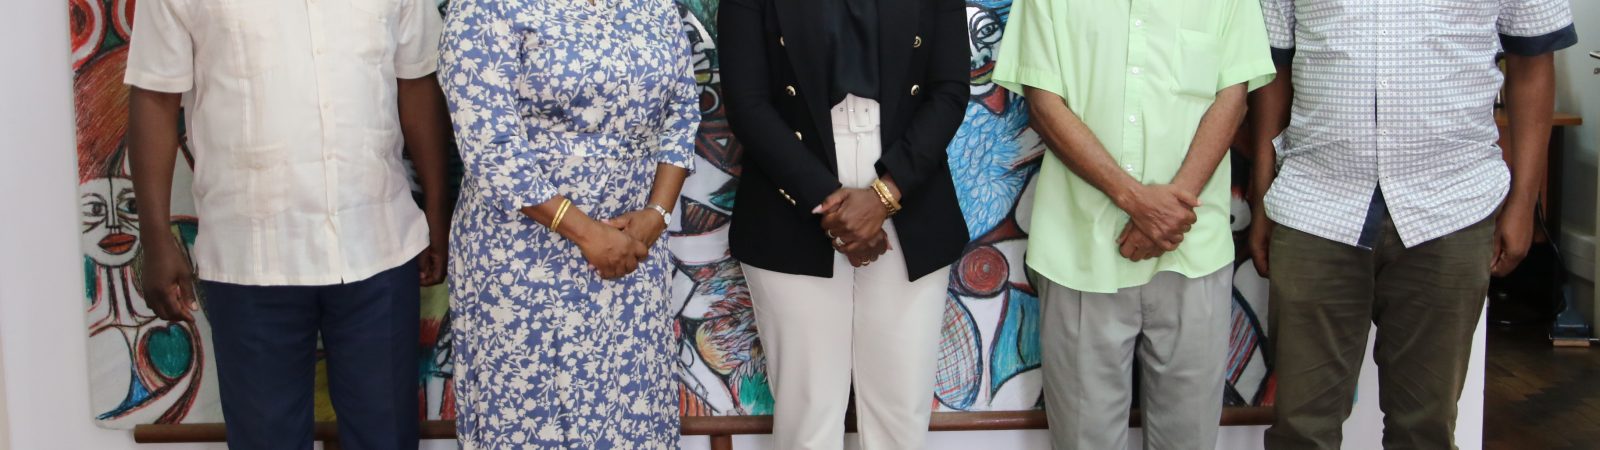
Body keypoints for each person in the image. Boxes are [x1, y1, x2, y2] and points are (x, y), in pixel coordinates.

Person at [124, 0, 453, 448]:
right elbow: (154, 96)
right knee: (265, 439)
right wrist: (156, 238)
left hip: (379, 244)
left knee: (386, 435)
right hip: (251, 259)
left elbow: (416, 81)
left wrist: (436, 209)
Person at [1248, 0, 1577, 448]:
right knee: (1301, 429)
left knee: (1425, 430)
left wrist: (1522, 204)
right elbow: (1273, 67)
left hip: (1450, 205)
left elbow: (1533, 62)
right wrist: (1263, 194)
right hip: (1316, 204)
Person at [991, 0, 1276, 448]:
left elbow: (1233, 98)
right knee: (1084, 440)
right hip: (1080, 249)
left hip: (1192, 251)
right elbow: (1044, 104)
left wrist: (1168, 211)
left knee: (1188, 439)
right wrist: (1135, 200)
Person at [437, 0, 699, 447]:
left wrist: (656, 215)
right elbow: (489, 142)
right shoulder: (485, 7)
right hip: (522, 263)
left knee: (630, 413)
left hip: (631, 257)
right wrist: (585, 232)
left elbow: (683, 111)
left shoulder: (654, 6)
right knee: (532, 417)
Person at [717, 0, 970, 447]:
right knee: (807, 414)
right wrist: (829, 203)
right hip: (791, 193)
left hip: (909, 186)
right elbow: (747, 102)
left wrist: (885, 195)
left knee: (901, 414)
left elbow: (949, 89)